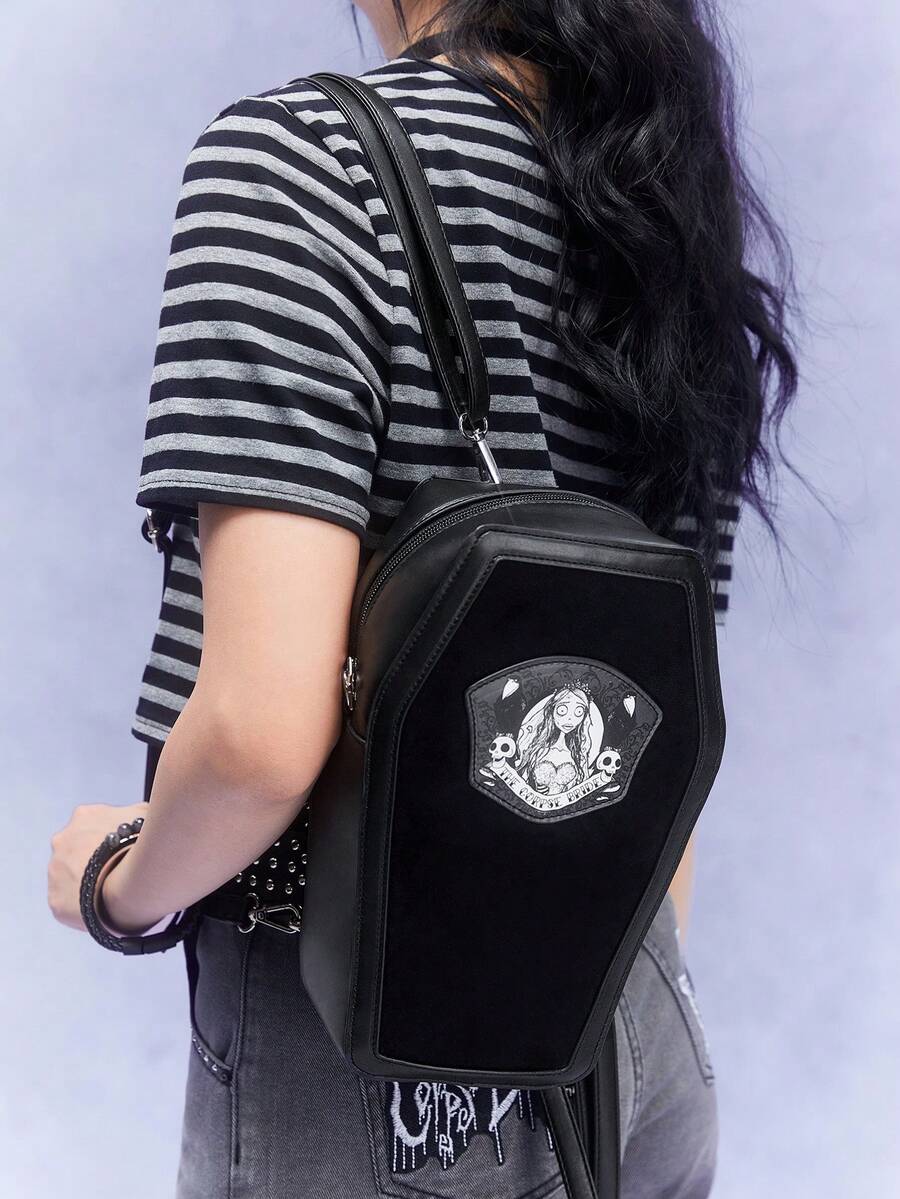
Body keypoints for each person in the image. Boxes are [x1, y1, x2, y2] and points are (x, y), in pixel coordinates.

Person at [47, 1, 798, 1195]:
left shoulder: (305, 162)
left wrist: (117, 885)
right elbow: (658, 704)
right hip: (634, 1024)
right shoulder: (661, 208)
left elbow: (259, 739)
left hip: (370, 1054)